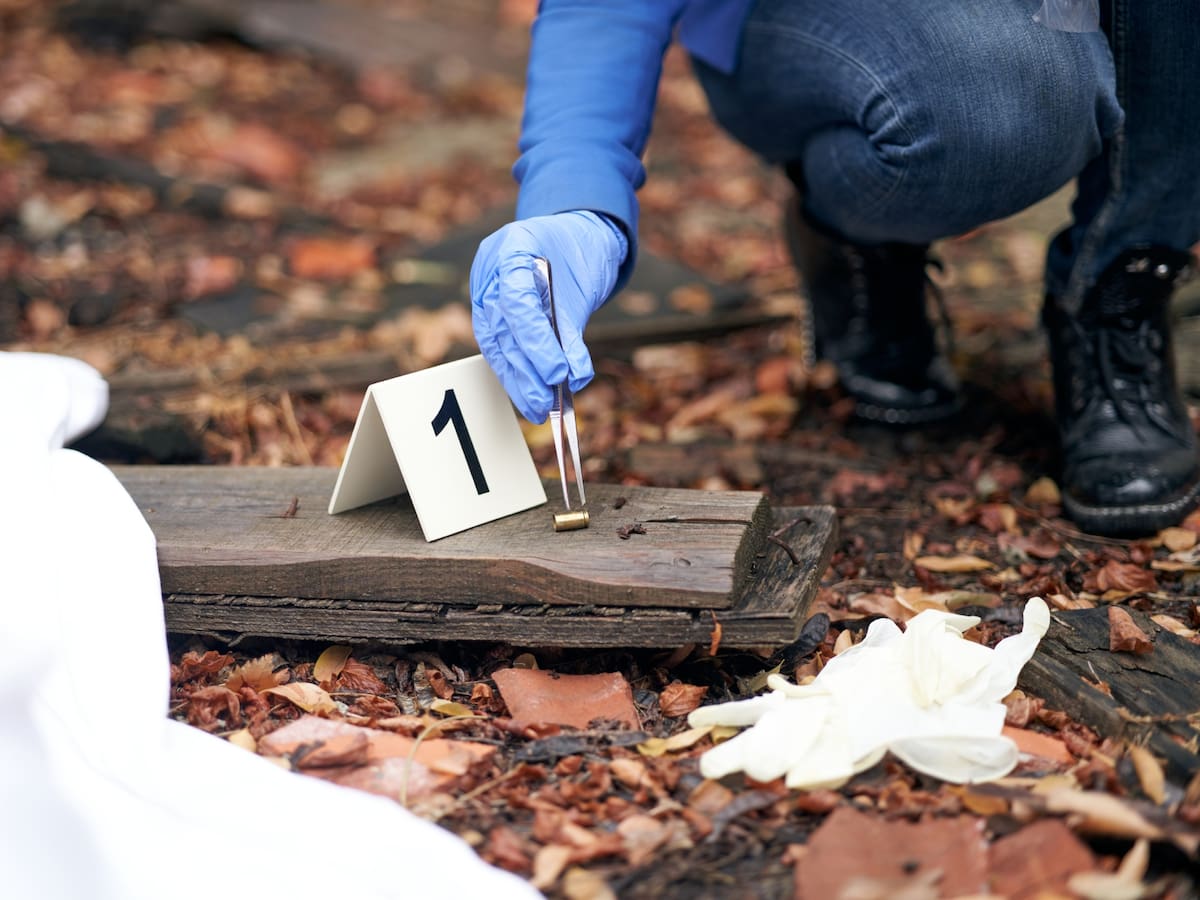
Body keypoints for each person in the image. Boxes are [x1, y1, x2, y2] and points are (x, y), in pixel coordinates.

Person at [469, 0, 1200, 537]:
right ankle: (856, 227)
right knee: (1001, 105)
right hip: (799, 23)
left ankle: (1118, 285)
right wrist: (574, 199)